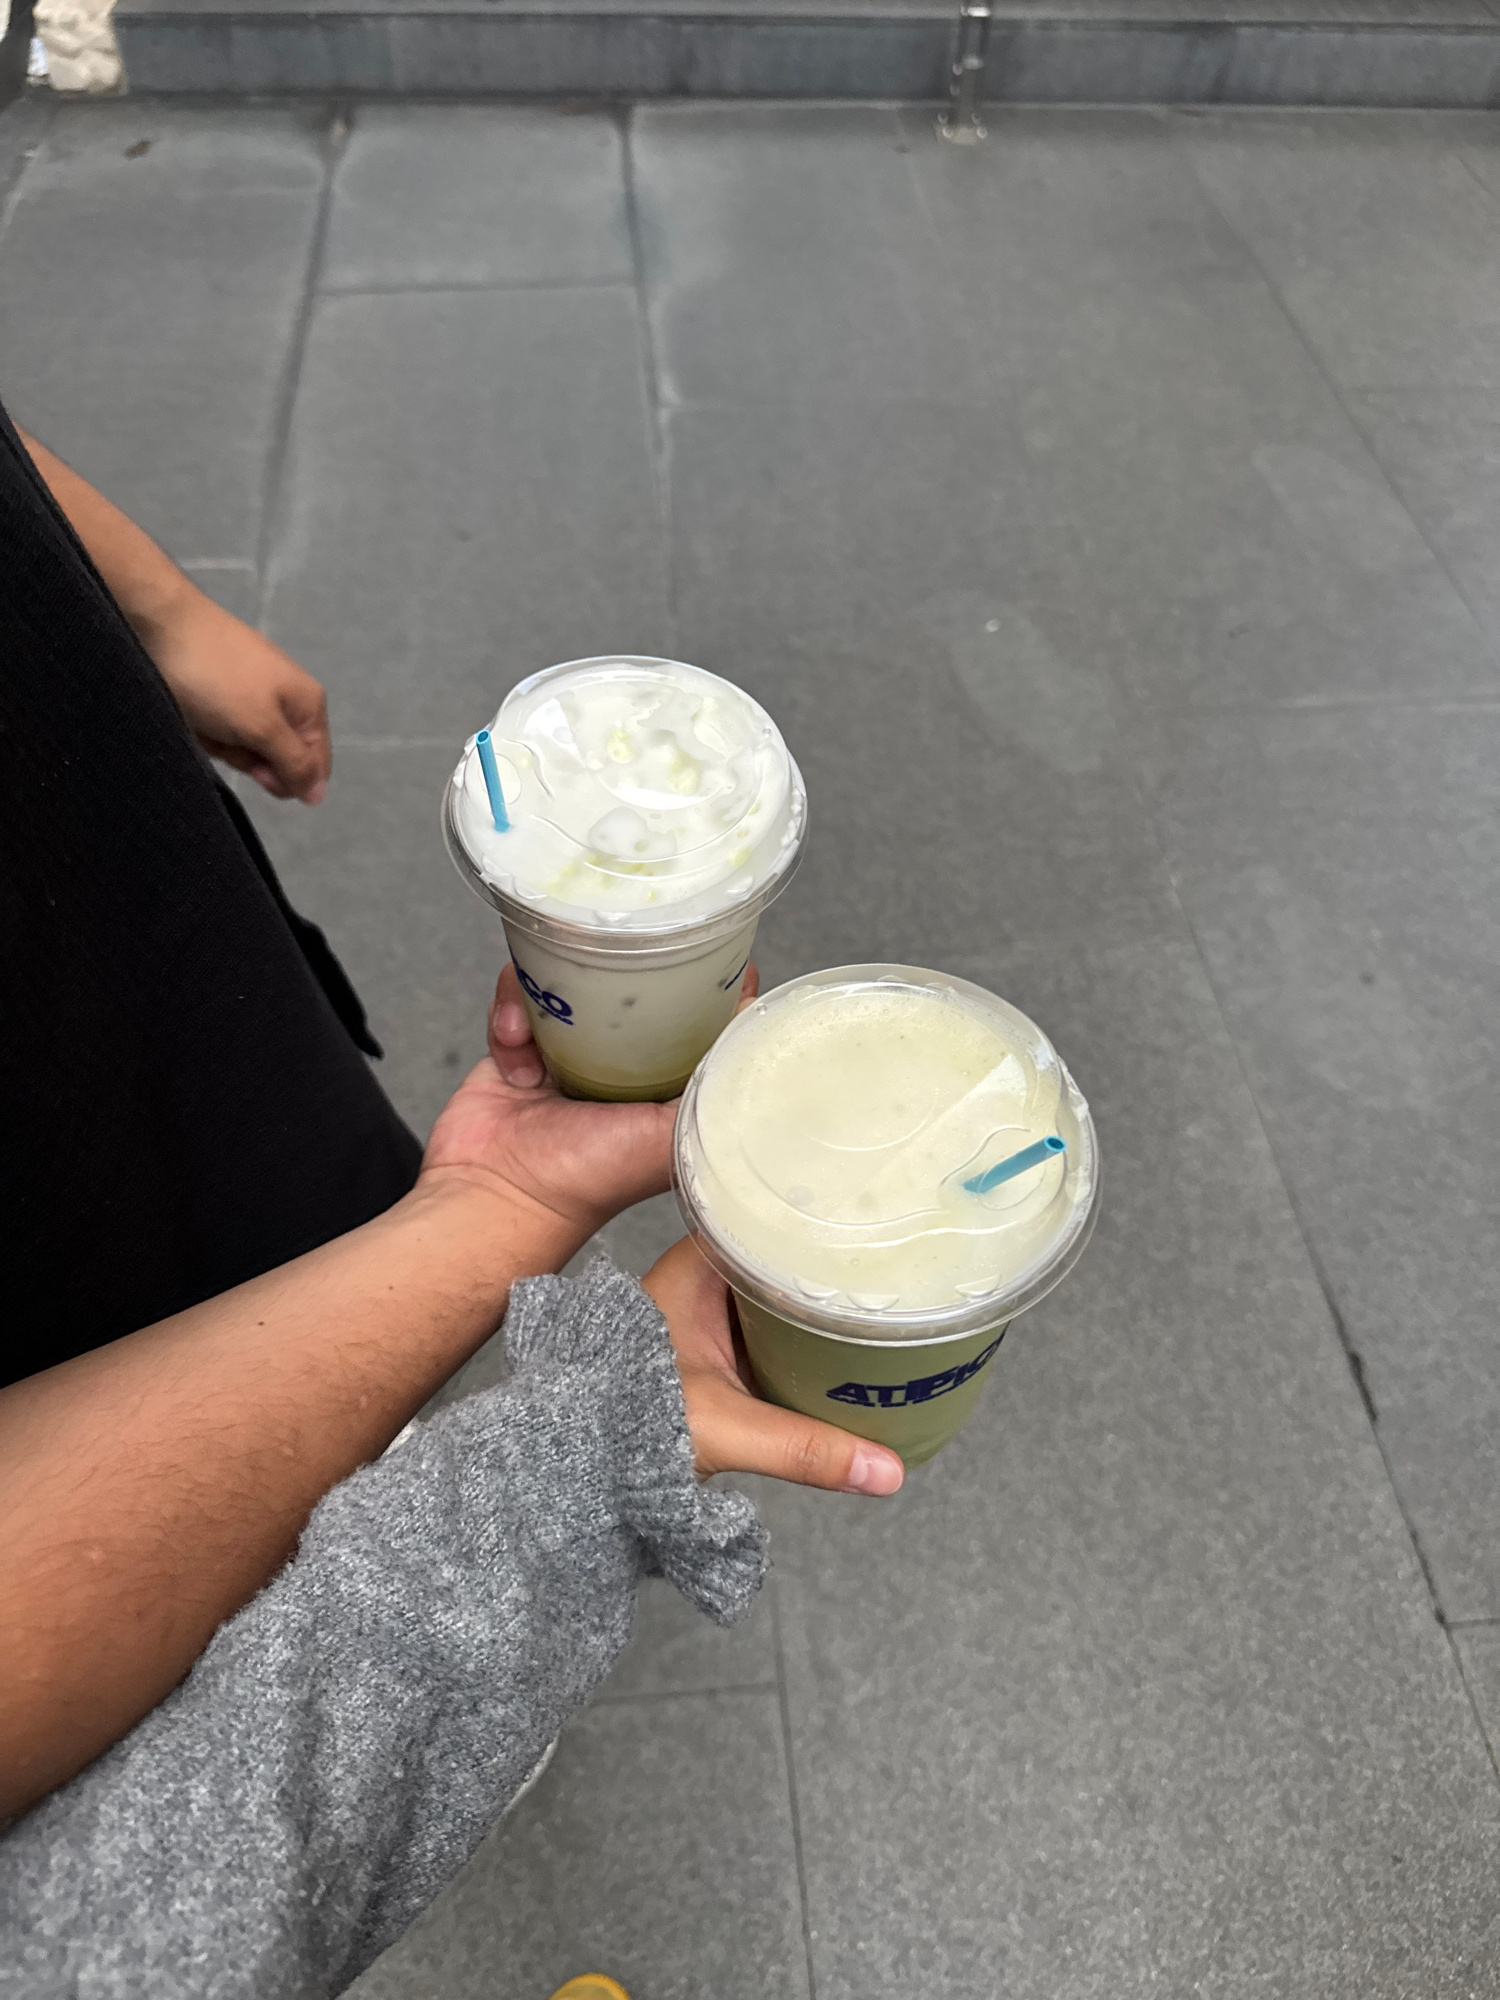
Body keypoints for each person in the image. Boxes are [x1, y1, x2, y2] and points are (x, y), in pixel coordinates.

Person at [0, 400, 905, 1990]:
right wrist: (550, 1481)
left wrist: (147, 606)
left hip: (107, 915)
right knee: (205, 1460)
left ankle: (341, 1405)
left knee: (285, 1229)